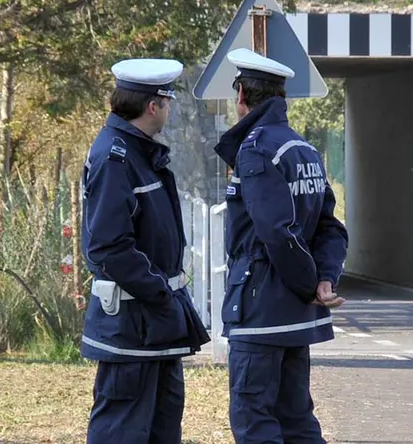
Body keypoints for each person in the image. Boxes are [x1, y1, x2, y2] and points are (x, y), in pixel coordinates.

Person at [213, 48, 349, 444]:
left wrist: (311, 283)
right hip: (295, 314)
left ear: (241, 96)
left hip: (261, 310)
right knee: (297, 422)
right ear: (280, 99)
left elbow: (276, 231)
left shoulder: (255, 149)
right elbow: (330, 227)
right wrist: (323, 279)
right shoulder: (304, 149)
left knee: (255, 422)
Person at [80, 57, 210, 444]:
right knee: (122, 430)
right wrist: (160, 294)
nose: (170, 109)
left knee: (162, 427)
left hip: (154, 323)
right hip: (132, 323)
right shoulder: (115, 157)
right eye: (168, 101)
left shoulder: (138, 152)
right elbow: (108, 246)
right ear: (153, 105)